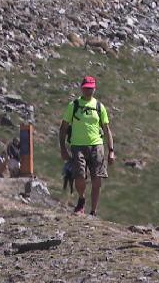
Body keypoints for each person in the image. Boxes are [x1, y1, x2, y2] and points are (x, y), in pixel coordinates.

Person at [58, 76, 115, 215]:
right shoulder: (74, 105)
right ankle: (82, 198)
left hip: (97, 146)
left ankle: (93, 211)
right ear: (82, 88)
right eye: (86, 88)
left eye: (91, 88)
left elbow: (107, 129)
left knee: (97, 180)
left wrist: (111, 150)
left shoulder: (99, 107)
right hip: (77, 146)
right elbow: (63, 128)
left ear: (94, 89)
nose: (89, 91)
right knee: (79, 176)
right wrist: (63, 148)